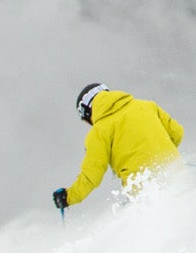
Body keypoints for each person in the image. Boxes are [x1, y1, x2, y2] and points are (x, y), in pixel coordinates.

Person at [52, 83, 185, 212]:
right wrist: (161, 153)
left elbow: (92, 175)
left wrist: (68, 198)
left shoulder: (99, 132)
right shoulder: (147, 106)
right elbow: (177, 133)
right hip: (178, 174)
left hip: (144, 191)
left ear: (87, 111)